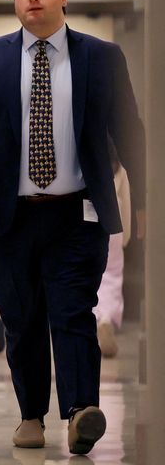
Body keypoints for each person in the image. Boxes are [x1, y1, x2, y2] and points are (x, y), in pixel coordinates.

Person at [0, 0, 145, 455]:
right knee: (23, 317)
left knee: (74, 312)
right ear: (15, 0)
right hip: (9, 215)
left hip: (78, 212)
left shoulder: (102, 57)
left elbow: (131, 133)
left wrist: (148, 202)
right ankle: (31, 414)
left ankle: (79, 412)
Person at [93, 146, 132, 358]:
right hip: (114, 216)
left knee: (90, 275)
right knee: (112, 274)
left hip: (89, 212)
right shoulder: (119, 164)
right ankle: (106, 318)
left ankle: (94, 317)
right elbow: (125, 200)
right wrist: (125, 237)